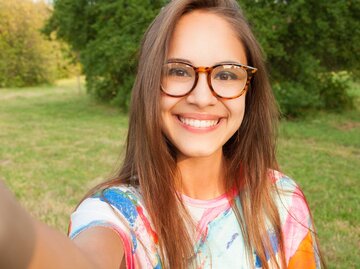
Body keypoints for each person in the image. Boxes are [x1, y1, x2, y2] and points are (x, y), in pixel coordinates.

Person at [0, 0, 325, 268]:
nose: (201, 97)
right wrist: (13, 231)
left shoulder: (281, 199)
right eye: (178, 71)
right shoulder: (115, 215)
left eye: (226, 74)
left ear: (248, 89)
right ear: (148, 84)